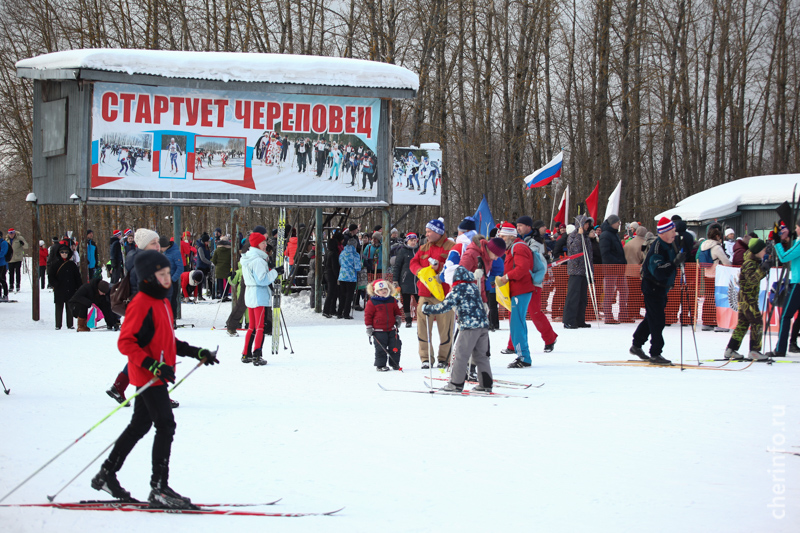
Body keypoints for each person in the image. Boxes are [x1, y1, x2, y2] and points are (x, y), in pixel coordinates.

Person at [91, 250, 219, 509]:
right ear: (149, 277)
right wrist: (153, 365)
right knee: (165, 425)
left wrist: (196, 352)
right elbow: (126, 342)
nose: (167, 279)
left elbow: (166, 340)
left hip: (157, 374)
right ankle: (158, 487)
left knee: (139, 425)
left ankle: (107, 474)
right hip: (149, 376)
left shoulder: (160, 301)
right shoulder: (141, 303)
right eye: (161, 275)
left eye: (167, 274)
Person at [422, 264, 494, 391]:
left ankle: (456, 384)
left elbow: (444, 306)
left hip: (469, 327)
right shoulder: (473, 286)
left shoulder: (458, 289)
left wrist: (427, 308)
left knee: (461, 355)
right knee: (481, 356)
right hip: (483, 326)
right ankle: (486, 384)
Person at [629, 217, 685, 365]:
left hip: (662, 288)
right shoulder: (657, 247)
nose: (674, 233)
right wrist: (673, 263)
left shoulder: (670, 244)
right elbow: (658, 271)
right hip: (652, 286)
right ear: (664, 232)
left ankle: (636, 345)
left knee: (652, 318)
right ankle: (655, 353)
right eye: (672, 231)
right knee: (658, 320)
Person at [409, 218, 456, 369]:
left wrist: (439, 266)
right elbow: (413, 263)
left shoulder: (451, 246)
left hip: (444, 295)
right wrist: (419, 271)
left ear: (438, 232)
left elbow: (454, 266)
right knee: (422, 327)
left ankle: (444, 358)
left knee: (446, 328)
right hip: (425, 293)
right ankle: (425, 358)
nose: (426, 234)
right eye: (427, 231)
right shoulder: (423, 248)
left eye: (429, 231)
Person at [495, 223, 536, 368]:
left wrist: (507, 277)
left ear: (510, 236)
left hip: (520, 290)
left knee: (517, 324)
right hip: (518, 290)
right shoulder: (514, 247)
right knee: (518, 323)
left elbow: (522, 268)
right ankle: (523, 354)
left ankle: (524, 357)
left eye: (502, 236)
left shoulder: (518, 247)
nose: (500, 239)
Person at [724, 238, 770, 361]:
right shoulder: (750, 263)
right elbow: (751, 280)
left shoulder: (753, 261)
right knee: (757, 322)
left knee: (743, 324)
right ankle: (754, 350)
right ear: (758, 251)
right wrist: (763, 269)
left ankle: (731, 349)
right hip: (748, 299)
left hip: (746, 298)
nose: (765, 252)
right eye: (764, 250)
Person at [240, 231, 281, 366]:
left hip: (251, 294)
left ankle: (246, 353)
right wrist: (276, 272)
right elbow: (262, 280)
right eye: (263, 243)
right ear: (257, 244)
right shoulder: (258, 260)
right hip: (258, 295)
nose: (265, 245)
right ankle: (257, 354)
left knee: (252, 326)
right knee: (259, 327)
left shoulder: (248, 258)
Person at [767, 222, 800, 358]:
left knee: (786, 315)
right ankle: (790, 343)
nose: (796, 229)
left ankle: (780, 348)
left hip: (797, 283)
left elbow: (784, 257)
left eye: (797, 227)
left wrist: (777, 243)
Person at [697, 225, 732, 331]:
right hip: (717, 276)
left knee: (708, 299)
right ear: (717, 236)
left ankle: (706, 322)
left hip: (706, 275)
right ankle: (718, 322)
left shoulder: (703, 245)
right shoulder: (716, 247)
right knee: (718, 299)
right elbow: (726, 262)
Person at [563, 215, 594, 329]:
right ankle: (569, 320)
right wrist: (579, 235)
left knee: (582, 297)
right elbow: (574, 249)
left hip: (585, 270)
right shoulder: (573, 235)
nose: (587, 226)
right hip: (575, 270)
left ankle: (580, 319)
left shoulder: (586, 237)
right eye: (586, 224)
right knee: (573, 296)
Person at [365, 279, 403, 371]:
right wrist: (369, 327)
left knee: (395, 345)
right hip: (378, 330)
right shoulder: (372, 302)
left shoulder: (392, 300)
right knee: (380, 348)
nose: (383, 291)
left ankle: (394, 363)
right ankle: (380, 365)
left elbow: (397, 311)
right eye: (381, 290)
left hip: (391, 329)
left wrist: (398, 318)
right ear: (376, 291)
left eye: (385, 289)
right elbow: (368, 315)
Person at [599, 214, 631, 324]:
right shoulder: (606, 235)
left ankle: (623, 314)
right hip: (611, 268)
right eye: (617, 222)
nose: (619, 224)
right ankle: (608, 316)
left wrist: (622, 262)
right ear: (612, 223)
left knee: (624, 291)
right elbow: (605, 253)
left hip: (619, 268)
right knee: (609, 292)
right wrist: (617, 262)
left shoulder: (614, 234)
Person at [49, 244, 82, 329]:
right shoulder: (55, 264)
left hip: (70, 288)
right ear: (59, 253)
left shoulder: (72, 264)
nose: (64, 254)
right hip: (59, 289)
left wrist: (79, 288)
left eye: (66, 252)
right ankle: (58, 325)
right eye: (62, 252)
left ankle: (70, 324)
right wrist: (55, 284)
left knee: (70, 307)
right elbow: (51, 276)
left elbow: (77, 277)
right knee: (59, 307)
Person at [392, 232, 419, 327]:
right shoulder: (402, 251)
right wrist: (395, 280)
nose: (413, 242)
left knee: (420, 301)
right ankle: (408, 320)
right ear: (407, 241)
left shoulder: (419, 250)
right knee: (406, 302)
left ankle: (421, 318)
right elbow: (397, 266)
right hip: (405, 280)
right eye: (411, 240)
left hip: (418, 281)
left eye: (415, 240)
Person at [624, 225, 648, 321]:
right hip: (638, 272)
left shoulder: (628, 243)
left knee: (629, 293)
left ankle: (630, 311)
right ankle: (635, 312)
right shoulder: (644, 244)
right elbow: (644, 259)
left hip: (627, 271)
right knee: (637, 293)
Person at [337, 237, 362, 319]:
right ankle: (346, 313)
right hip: (351, 277)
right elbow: (357, 267)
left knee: (342, 295)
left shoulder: (343, 252)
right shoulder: (355, 254)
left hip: (342, 276)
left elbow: (340, 262)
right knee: (349, 296)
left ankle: (339, 312)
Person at [322, 232, 344, 318]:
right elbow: (335, 266)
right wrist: (338, 276)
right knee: (331, 293)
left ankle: (330, 310)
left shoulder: (327, 252)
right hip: (332, 275)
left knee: (332, 292)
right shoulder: (334, 253)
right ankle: (326, 311)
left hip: (327, 273)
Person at [161, 236, 183, 321]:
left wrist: (173, 279)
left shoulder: (175, 252)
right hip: (164, 280)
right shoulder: (165, 252)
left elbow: (180, 268)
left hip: (172, 280)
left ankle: (173, 318)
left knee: (172, 300)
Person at [5, 229, 28, 293]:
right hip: (10, 259)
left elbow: (26, 246)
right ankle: (11, 285)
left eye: (12, 233)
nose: (11, 235)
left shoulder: (19, 238)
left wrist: (23, 243)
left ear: (14, 233)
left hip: (18, 258)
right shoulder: (7, 239)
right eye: (10, 233)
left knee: (18, 272)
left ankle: (18, 285)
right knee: (11, 272)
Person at [211, 236, 232, 300]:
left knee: (220, 282)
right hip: (227, 268)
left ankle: (222, 295)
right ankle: (226, 295)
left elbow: (214, 260)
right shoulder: (230, 250)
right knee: (228, 282)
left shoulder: (217, 250)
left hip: (219, 269)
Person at [194, 233, 212, 299]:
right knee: (200, 281)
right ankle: (199, 295)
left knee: (209, 279)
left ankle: (210, 292)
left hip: (206, 266)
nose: (208, 243)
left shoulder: (206, 247)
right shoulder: (200, 248)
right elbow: (202, 258)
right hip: (201, 266)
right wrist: (210, 262)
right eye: (207, 241)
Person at [0, 231, 8, 301]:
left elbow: (3, 253)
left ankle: (5, 295)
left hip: (2, 264)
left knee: (2, 279)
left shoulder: (3, 243)